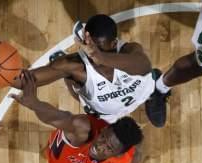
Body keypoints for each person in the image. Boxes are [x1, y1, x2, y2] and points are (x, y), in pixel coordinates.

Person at [13, 14, 168, 127]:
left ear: (114, 43)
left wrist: (100, 57)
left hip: (141, 94)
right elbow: (22, 80)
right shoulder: (74, 65)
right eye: (90, 48)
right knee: (77, 87)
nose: (93, 55)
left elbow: (144, 65)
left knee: (150, 79)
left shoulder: (130, 50)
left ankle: (156, 94)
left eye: (99, 49)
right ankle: (67, 78)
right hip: (106, 116)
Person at [10, 70, 144, 163]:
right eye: (103, 137)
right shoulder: (83, 129)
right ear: (104, 129)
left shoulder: (125, 161)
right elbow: (55, 118)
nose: (100, 145)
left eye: (109, 148)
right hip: (60, 154)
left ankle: (71, 77)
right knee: (45, 154)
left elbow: (137, 152)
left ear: (119, 153)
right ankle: (69, 75)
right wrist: (34, 103)